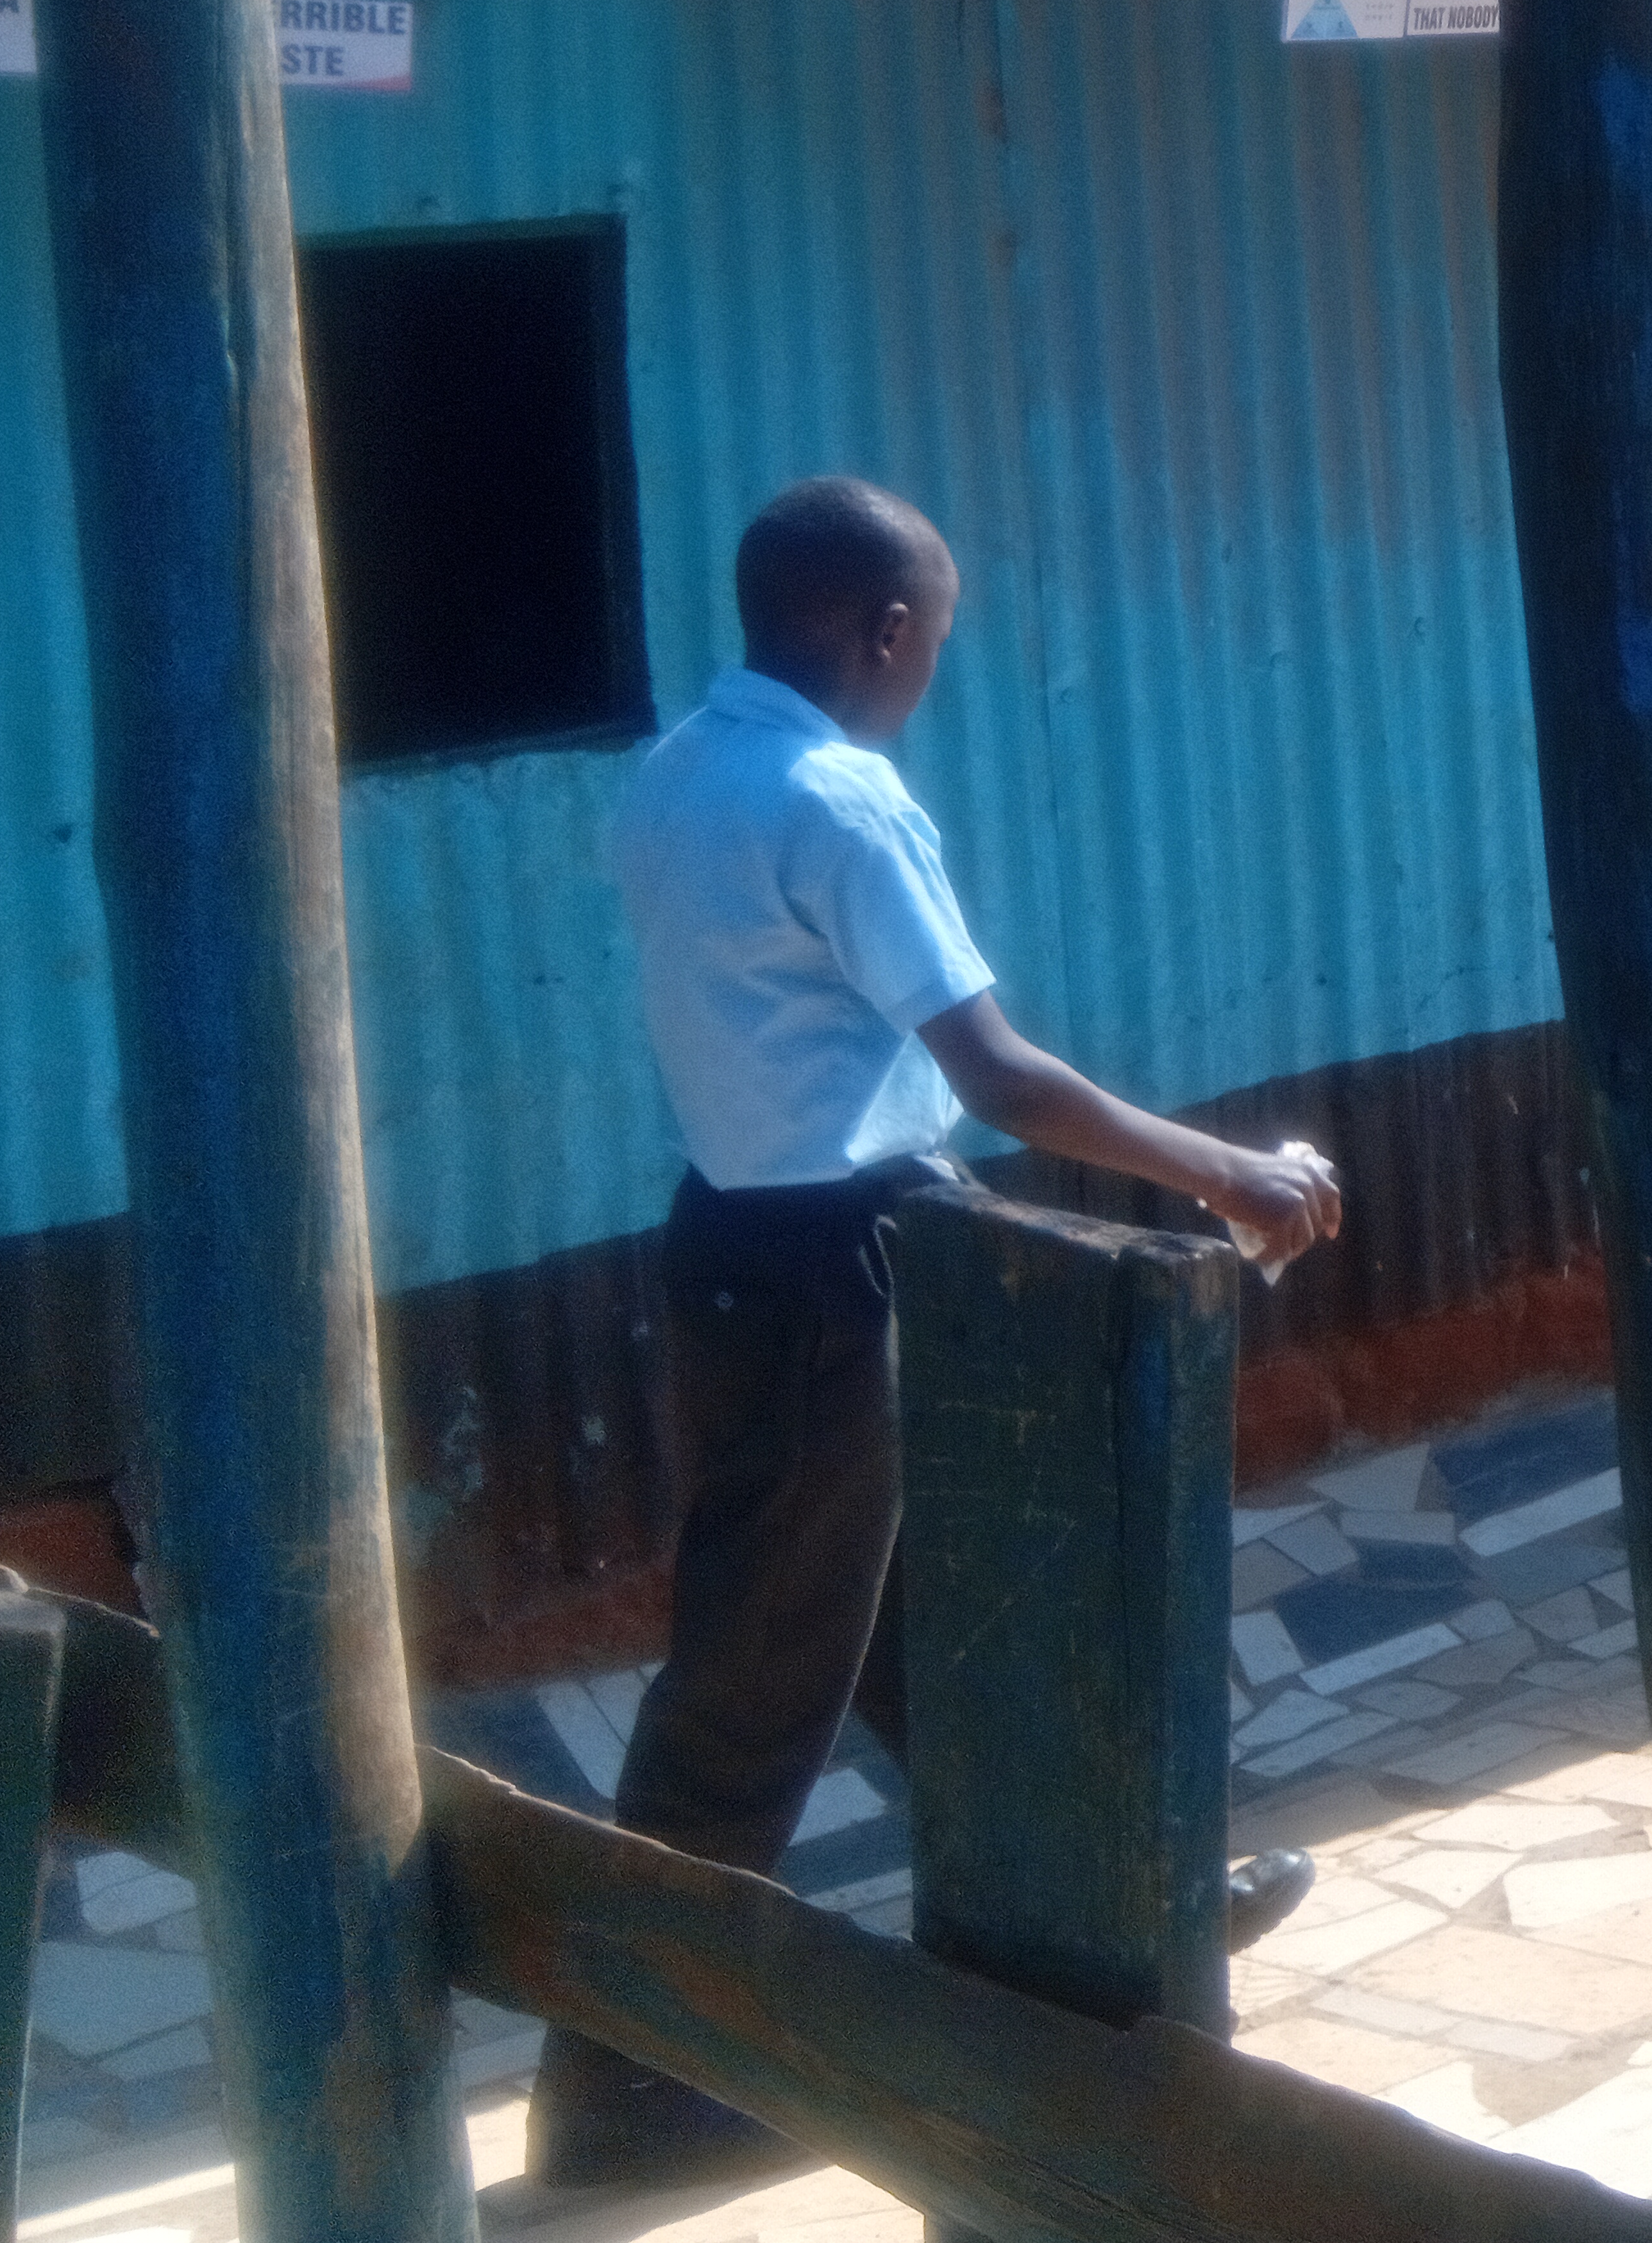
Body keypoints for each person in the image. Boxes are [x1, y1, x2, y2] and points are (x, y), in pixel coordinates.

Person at [521, 477, 1347, 2193]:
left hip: (743, 1242)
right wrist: (1237, 1179)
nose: (930, 673)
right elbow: (1001, 1076)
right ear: (888, 629)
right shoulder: (836, 796)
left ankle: (1109, 1933)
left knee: (941, 1631)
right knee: (754, 1686)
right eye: (936, 643)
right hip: (837, 1270)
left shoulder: (678, 771)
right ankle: (620, 2091)